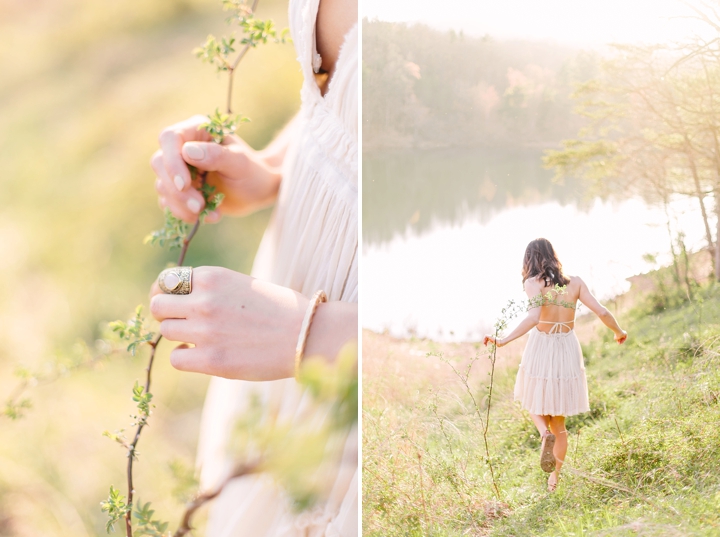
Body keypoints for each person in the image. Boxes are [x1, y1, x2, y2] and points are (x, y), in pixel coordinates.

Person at [147, 0, 358, 533]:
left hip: (367, 372)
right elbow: (350, 103)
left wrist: (312, 334)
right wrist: (269, 169)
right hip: (285, 299)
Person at [483, 238, 627, 493]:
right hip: (567, 347)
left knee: (530, 395)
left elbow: (533, 317)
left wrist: (504, 340)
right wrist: (618, 331)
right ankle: (554, 479)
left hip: (542, 344)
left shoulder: (532, 283)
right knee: (559, 423)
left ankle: (542, 433)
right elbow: (602, 312)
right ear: (553, 255)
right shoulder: (576, 282)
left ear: (529, 259)